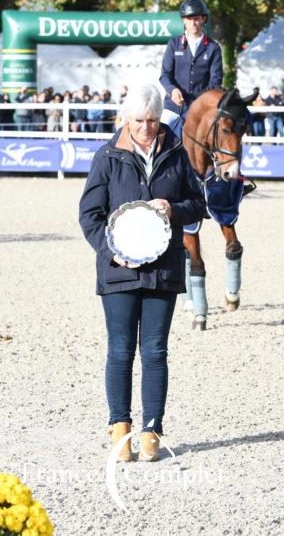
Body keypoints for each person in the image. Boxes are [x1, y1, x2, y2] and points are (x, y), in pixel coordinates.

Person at [78, 83, 205, 462]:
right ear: (126, 119)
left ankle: (152, 427)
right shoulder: (107, 156)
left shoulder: (177, 154)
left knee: (155, 351)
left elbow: (198, 204)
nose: (147, 128)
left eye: (153, 120)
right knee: (119, 351)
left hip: (163, 270)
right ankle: (120, 427)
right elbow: (90, 215)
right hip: (118, 272)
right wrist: (111, 252)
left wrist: (174, 209)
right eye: (139, 121)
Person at [159, 0, 224, 137]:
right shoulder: (173, 44)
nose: (193, 23)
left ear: (203, 20)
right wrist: (172, 90)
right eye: (189, 19)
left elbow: (216, 80)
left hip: (200, 107)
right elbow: (165, 75)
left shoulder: (213, 47)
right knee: (159, 135)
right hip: (173, 106)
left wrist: (200, 100)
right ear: (184, 20)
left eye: (196, 18)